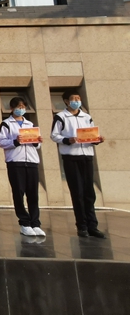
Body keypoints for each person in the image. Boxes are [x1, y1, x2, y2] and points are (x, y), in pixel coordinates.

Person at [51, 90, 106, 238]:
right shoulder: (61, 117)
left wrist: (97, 139)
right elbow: (54, 135)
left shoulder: (86, 117)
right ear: (66, 101)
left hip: (87, 156)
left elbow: (92, 134)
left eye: (78, 98)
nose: (77, 101)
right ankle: (81, 225)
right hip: (71, 157)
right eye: (73, 99)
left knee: (89, 192)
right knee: (78, 192)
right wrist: (68, 140)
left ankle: (92, 225)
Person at [0, 97, 46, 237]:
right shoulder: (6, 124)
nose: (21, 109)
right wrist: (15, 141)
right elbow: (1, 142)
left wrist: (37, 141)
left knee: (33, 193)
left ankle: (35, 222)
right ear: (12, 108)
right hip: (15, 161)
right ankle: (24, 222)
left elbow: (37, 145)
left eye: (23, 106)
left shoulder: (30, 124)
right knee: (18, 192)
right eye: (19, 106)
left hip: (31, 161)